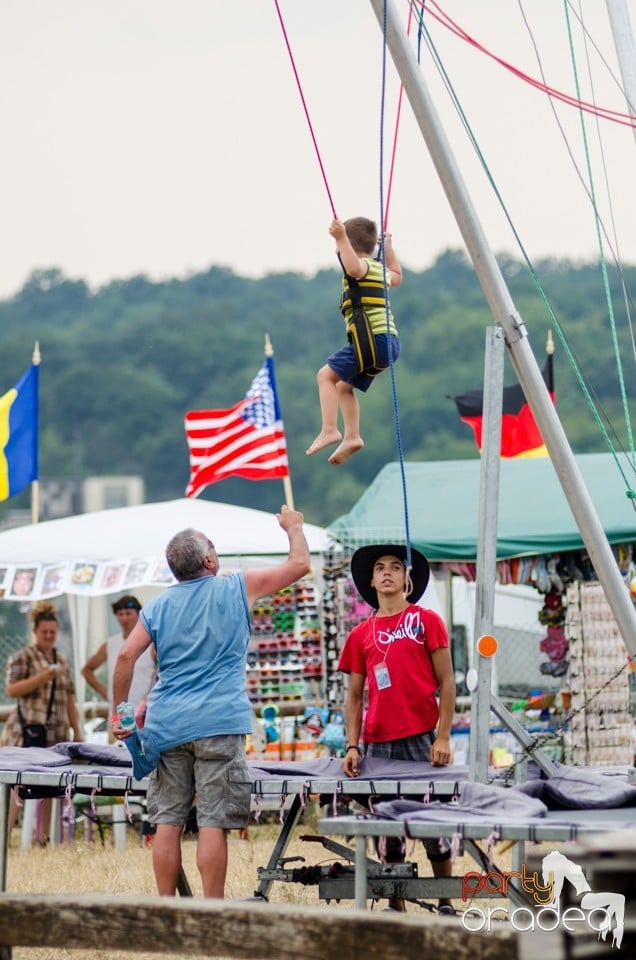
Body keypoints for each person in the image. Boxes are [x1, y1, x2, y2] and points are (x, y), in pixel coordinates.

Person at [111, 504, 310, 898]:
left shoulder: (157, 606)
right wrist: (294, 527)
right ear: (208, 559)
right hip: (220, 722)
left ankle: (168, 909)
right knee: (212, 823)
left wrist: (120, 712)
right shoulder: (237, 587)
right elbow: (300, 564)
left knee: (166, 821)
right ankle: (212, 912)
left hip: (166, 727)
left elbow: (124, 657)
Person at [338, 544, 456, 914]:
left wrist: (443, 736)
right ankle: (395, 904)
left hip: (423, 740)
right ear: (371, 581)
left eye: (395, 567)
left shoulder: (426, 621)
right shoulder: (360, 634)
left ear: (408, 579)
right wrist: (352, 746)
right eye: (379, 568)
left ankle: (445, 901)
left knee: (433, 827)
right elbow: (355, 696)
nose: (387, 572)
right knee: (387, 831)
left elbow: (448, 681)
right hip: (378, 744)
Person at [306, 216, 402, 465]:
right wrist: (388, 246)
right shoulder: (380, 270)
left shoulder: (364, 268)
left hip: (373, 342)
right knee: (343, 386)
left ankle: (330, 429)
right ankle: (352, 437)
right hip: (388, 344)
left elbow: (352, 268)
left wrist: (340, 238)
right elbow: (398, 275)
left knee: (325, 376)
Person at [1, 600, 83, 842]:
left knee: (49, 785)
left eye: (52, 631)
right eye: (44, 632)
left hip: (55, 732)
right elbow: (12, 690)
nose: (49, 635)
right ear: (35, 631)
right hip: (26, 731)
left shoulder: (62, 659)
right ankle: (5, 834)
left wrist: (76, 730)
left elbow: (69, 698)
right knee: (15, 784)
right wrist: (43, 676)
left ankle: (43, 837)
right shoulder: (22, 657)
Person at [81, 595, 155, 714]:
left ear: (139, 614)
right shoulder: (110, 644)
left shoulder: (150, 643)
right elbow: (87, 670)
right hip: (117, 717)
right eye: (120, 614)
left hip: (145, 715)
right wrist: (105, 692)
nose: (124, 618)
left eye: (128, 613)